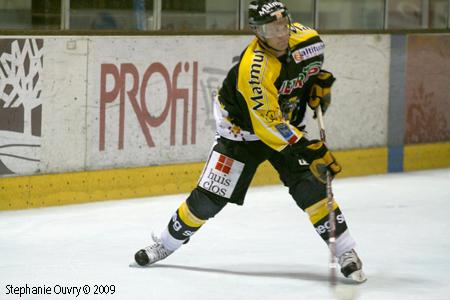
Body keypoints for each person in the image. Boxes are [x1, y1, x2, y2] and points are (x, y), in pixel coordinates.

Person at [134, 0, 366, 283]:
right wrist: (308, 148)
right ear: (257, 32)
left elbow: (307, 76)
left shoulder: (310, 41)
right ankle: (165, 243)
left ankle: (346, 251)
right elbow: (268, 124)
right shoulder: (253, 68)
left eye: (283, 25)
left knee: (311, 189)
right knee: (209, 199)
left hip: (283, 124)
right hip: (240, 132)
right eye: (271, 28)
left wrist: (317, 86)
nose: (279, 33)